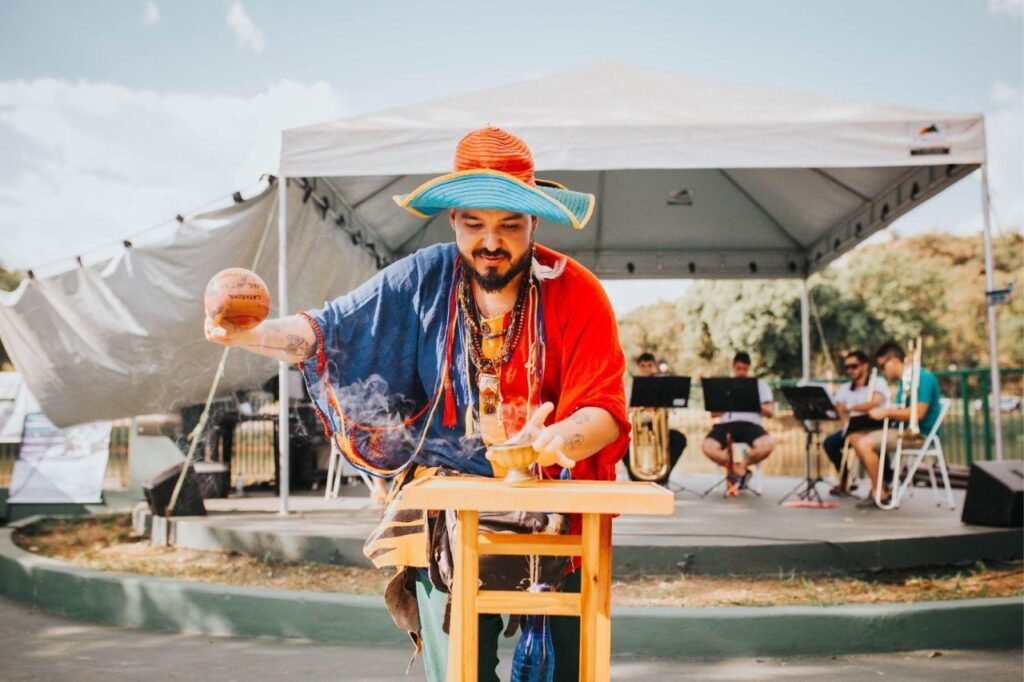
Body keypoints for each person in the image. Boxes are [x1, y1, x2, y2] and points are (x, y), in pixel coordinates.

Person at [204, 126, 629, 681]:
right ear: (453, 220)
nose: (491, 241)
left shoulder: (577, 290)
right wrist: (250, 335)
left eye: (509, 225)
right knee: (458, 670)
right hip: (446, 508)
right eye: (474, 224)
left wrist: (557, 439)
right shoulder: (424, 277)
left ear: (534, 222)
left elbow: (603, 410)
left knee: (560, 670)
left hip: (552, 502)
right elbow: (327, 331)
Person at [849, 341, 942, 509]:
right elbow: (902, 410)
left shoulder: (922, 378)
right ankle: (881, 485)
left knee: (865, 442)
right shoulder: (904, 381)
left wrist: (886, 412)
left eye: (883, 366)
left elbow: (918, 413)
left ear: (892, 360)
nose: (884, 372)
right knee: (855, 436)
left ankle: (880, 492)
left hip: (919, 434)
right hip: (900, 429)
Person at [700, 352, 775, 489]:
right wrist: (729, 402)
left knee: (767, 445)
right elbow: (713, 414)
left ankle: (742, 466)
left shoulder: (760, 385)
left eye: (745, 369)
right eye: (738, 368)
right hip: (726, 426)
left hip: (751, 426)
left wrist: (751, 401)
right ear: (733, 367)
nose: (741, 372)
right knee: (707, 446)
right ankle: (738, 470)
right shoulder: (724, 385)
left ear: (749, 368)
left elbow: (770, 412)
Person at [822, 350, 889, 495]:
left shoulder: (878, 382)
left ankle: (882, 482)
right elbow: (839, 409)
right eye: (847, 367)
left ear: (865, 366)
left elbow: (875, 403)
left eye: (854, 366)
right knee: (830, 443)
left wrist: (850, 408)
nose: (850, 370)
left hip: (875, 427)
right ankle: (846, 479)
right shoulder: (845, 388)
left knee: (864, 442)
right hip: (852, 427)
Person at [623, 352, 687, 485]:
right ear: (638, 367)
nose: (646, 369)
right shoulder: (630, 385)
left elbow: (670, 408)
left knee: (679, 439)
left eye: (650, 365)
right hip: (637, 426)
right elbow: (624, 410)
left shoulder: (662, 384)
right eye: (643, 366)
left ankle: (662, 477)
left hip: (658, 425)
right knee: (621, 443)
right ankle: (636, 477)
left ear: (655, 367)